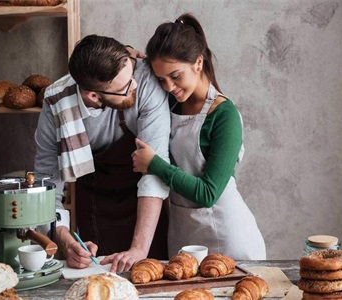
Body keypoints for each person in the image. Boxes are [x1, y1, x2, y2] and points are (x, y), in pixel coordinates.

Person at [132, 13, 266, 260]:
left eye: (175, 76)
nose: (169, 87)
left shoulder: (225, 116)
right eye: (161, 79)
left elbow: (208, 193)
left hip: (228, 238)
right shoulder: (170, 104)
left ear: (198, 62)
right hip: (184, 235)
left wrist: (154, 164)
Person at [34, 34, 171, 272]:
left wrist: (139, 249)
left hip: (146, 203)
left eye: (131, 74)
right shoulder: (56, 104)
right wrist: (65, 240)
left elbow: (154, 172)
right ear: (94, 96)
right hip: (96, 201)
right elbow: (45, 190)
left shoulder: (145, 81)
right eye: (125, 87)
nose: (135, 86)